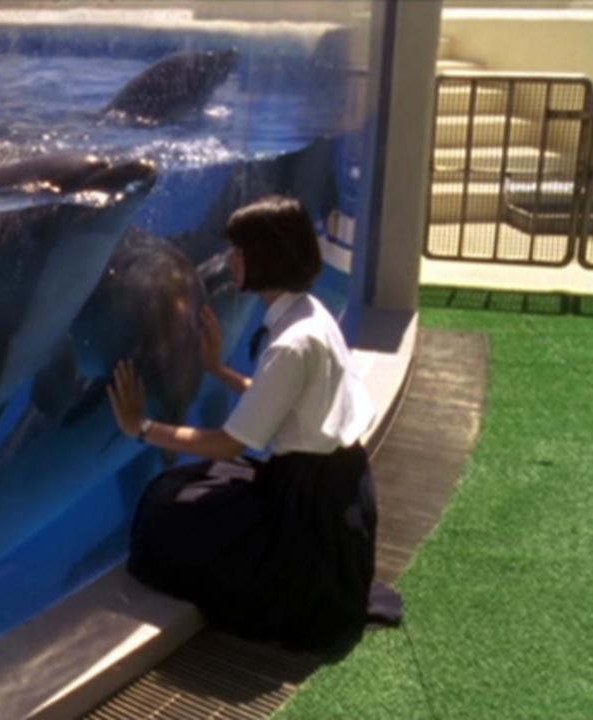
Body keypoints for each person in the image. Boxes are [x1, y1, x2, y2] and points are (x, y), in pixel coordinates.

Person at [106, 194, 401, 650]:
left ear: (266, 259)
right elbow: (292, 401)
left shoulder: (291, 341)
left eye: (239, 252)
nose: (230, 261)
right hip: (339, 488)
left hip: (305, 508)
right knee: (190, 489)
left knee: (163, 516)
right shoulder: (311, 313)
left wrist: (141, 427)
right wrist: (219, 370)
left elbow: (229, 445)